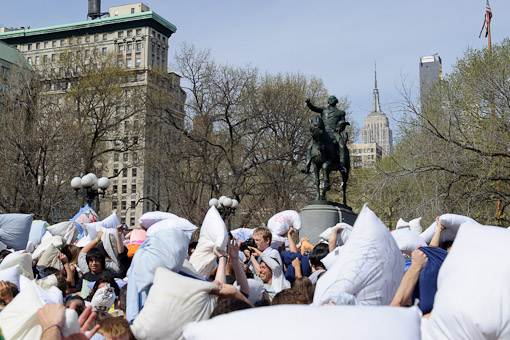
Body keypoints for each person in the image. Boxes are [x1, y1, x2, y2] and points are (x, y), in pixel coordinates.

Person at [303, 96, 349, 174]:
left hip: (334, 133)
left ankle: (342, 165)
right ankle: (307, 166)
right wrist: (309, 104)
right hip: (324, 133)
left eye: (332, 99)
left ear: (336, 101)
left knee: (342, 145)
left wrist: (341, 125)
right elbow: (314, 108)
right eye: (329, 99)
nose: (330, 100)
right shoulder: (323, 110)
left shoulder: (341, 112)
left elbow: (343, 123)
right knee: (309, 146)